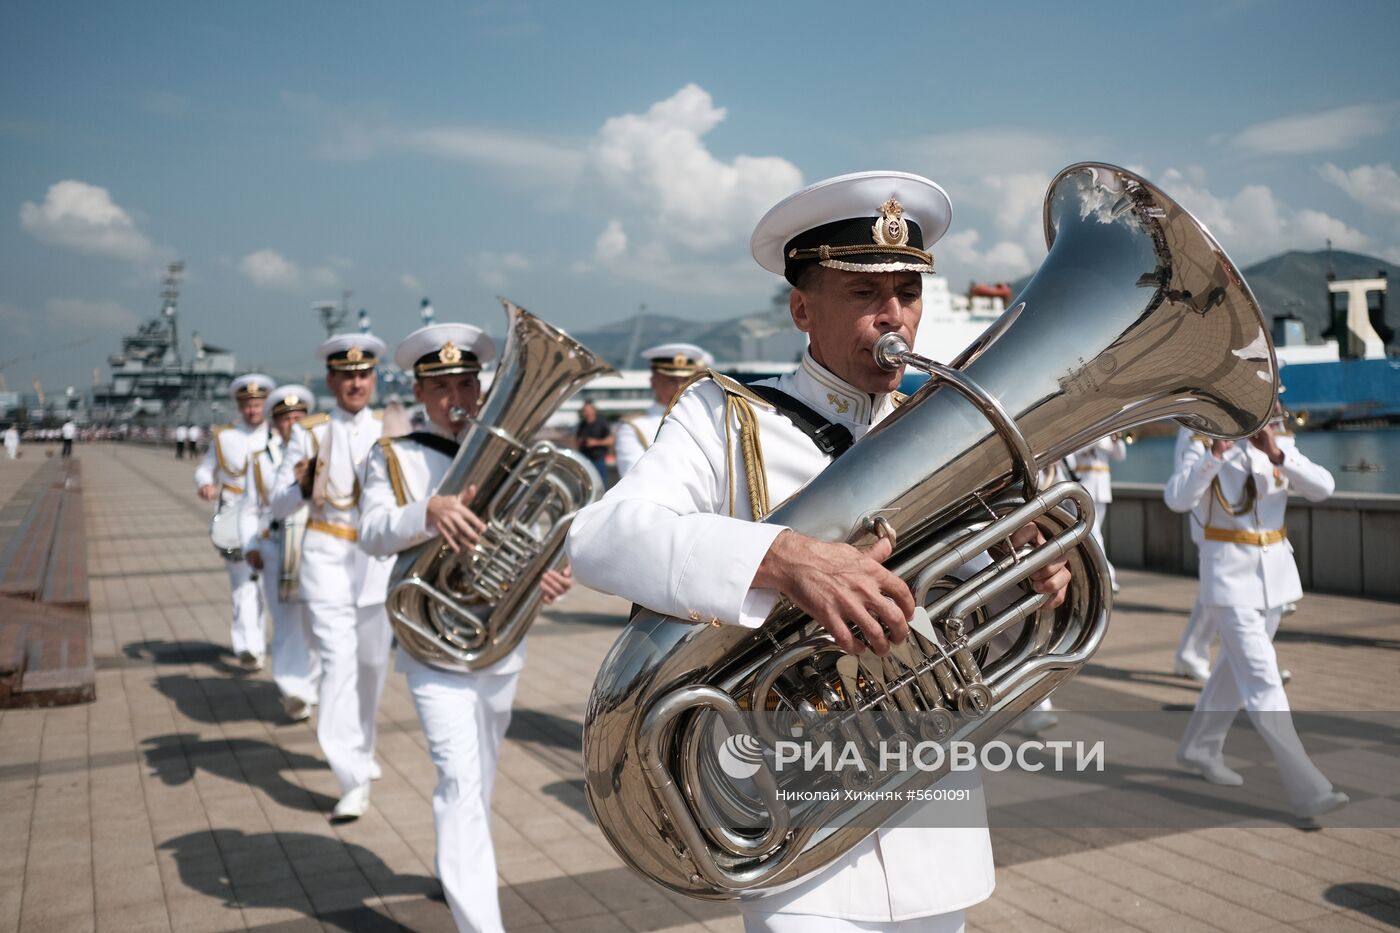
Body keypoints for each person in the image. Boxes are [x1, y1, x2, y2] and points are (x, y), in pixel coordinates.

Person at [568, 172, 1072, 933]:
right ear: (802, 308)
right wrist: (784, 559)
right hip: (794, 829)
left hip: (935, 825)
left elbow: (979, 633)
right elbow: (602, 538)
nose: (894, 316)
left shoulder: (948, 428)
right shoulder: (726, 413)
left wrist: (1031, 577)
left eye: (907, 291)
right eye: (865, 295)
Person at [360, 323, 572, 932]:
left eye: (467, 383)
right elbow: (372, 532)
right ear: (421, 394)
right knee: (458, 779)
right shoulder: (394, 456)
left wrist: (545, 575)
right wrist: (424, 512)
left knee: (476, 778)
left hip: (499, 642)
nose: (457, 397)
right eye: (443, 386)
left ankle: (455, 863)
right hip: (432, 645)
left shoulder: (514, 455)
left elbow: (540, 533)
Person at [1165, 403, 1348, 820]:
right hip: (1229, 578)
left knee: (1233, 671)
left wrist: (1278, 454)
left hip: (1275, 579)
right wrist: (1214, 456)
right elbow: (1177, 498)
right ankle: (1308, 788)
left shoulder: (1278, 440)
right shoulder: (1200, 437)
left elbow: (1323, 487)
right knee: (1263, 679)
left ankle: (1198, 748)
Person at [268, 334, 391, 821]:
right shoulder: (309, 431)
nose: (355, 383)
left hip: (376, 562)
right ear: (332, 380)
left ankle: (362, 749)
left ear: (373, 379)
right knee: (339, 666)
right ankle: (351, 776)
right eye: (346, 375)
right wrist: (300, 482)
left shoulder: (391, 427)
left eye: (363, 375)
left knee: (371, 667)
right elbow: (276, 503)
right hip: (325, 556)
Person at [241, 385, 322, 722]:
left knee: (315, 621)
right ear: (275, 424)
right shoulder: (261, 461)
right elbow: (249, 508)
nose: (292, 423)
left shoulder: (322, 452)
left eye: (298, 417)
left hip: (314, 546)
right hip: (275, 547)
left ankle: (311, 683)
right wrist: (251, 545)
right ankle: (294, 689)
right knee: (287, 621)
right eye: (285, 418)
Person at [195, 374, 274, 671]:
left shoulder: (278, 435)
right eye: (247, 405)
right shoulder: (224, 436)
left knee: (268, 586)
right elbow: (205, 469)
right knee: (242, 585)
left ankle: (262, 642)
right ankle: (248, 647)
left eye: (257, 404)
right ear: (240, 406)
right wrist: (205, 484)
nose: (252, 410)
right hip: (234, 518)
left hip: (269, 518)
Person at [614, 343, 713, 478]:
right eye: (671, 380)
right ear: (653, 381)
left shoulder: (704, 419)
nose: (680, 387)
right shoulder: (634, 427)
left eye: (685, 380)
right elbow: (634, 477)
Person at [1066, 434, 1127, 592]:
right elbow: (1071, 456)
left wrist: (1116, 440)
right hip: (1085, 486)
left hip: (1102, 488)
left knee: (1094, 533)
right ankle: (1107, 575)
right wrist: (1096, 437)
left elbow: (1121, 455)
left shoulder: (1105, 436)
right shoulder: (1086, 434)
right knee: (1094, 533)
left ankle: (1094, 574)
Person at [573, 400, 613, 484]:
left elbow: (610, 440)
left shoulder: (601, 423)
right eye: (584, 411)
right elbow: (577, 440)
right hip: (585, 459)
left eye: (587, 410)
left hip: (598, 459)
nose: (585, 413)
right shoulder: (582, 424)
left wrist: (596, 442)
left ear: (593, 411)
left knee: (601, 482)